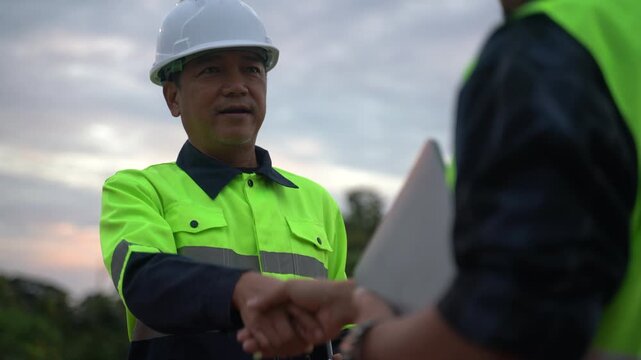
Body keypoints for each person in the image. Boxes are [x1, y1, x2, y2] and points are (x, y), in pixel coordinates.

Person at [237, 0, 641, 358]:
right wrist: (353, 301)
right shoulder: (614, 34)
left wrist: (366, 346)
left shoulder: (545, 55)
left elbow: (511, 327)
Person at [99, 0, 348, 359]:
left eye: (251, 69)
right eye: (212, 70)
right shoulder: (138, 191)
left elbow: (342, 329)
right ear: (173, 97)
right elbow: (143, 280)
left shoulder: (316, 201)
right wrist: (240, 290)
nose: (237, 86)